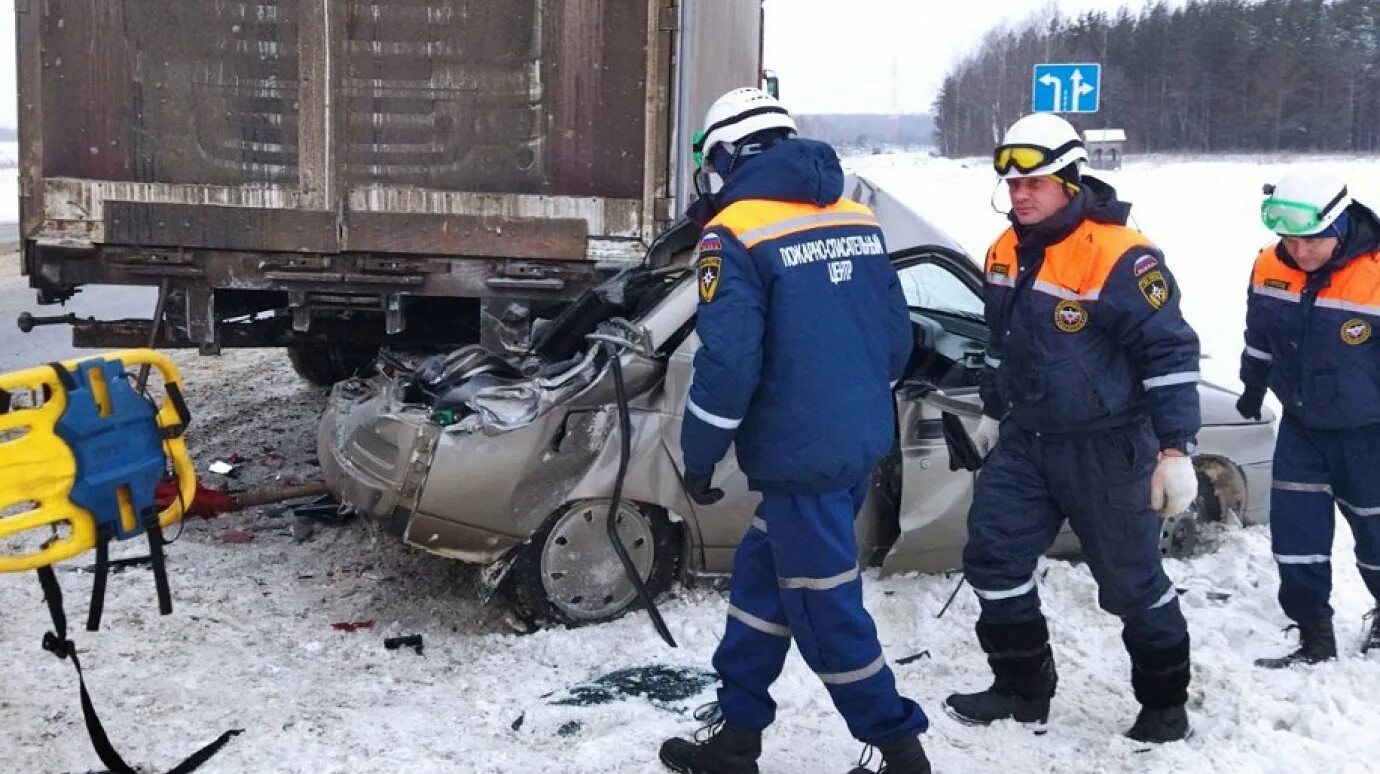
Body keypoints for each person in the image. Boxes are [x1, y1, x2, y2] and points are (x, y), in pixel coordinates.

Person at [658, 87, 930, 774]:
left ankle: (899, 749)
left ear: (726, 154)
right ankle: (737, 739)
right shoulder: (854, 214)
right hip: (852, 443)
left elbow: (728, 363)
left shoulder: (735, 230)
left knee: (825, 612)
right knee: (759, 587)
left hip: (801, 458)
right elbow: (897, 340)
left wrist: (699, 456)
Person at [944, 113, 1201, 744]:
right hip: (1027, 442)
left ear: (1068, 179)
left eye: (1033, 183)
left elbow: (1168, 355)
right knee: (994, 559)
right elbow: (1001, 347)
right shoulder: (1004, 250)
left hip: (1109, 447)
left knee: (1131, 583)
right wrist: (994, 414)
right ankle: (1022, 690)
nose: (1019, 196)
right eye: (1011, 185)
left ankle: (1165, 704)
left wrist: (1175, 449)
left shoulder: (1120, 256)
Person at [1239, 170, 1380, 668]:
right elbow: (1258, 331)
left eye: (1311, 240)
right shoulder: (1268, 266)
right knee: (1296, 537)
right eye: (1290, 239)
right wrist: (1253, 383)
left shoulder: (1376, 273)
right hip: (1301, 427)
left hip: (1368, 432)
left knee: (1376, 533)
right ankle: (1314, 634)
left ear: (1339, 222)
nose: (1300, 251)